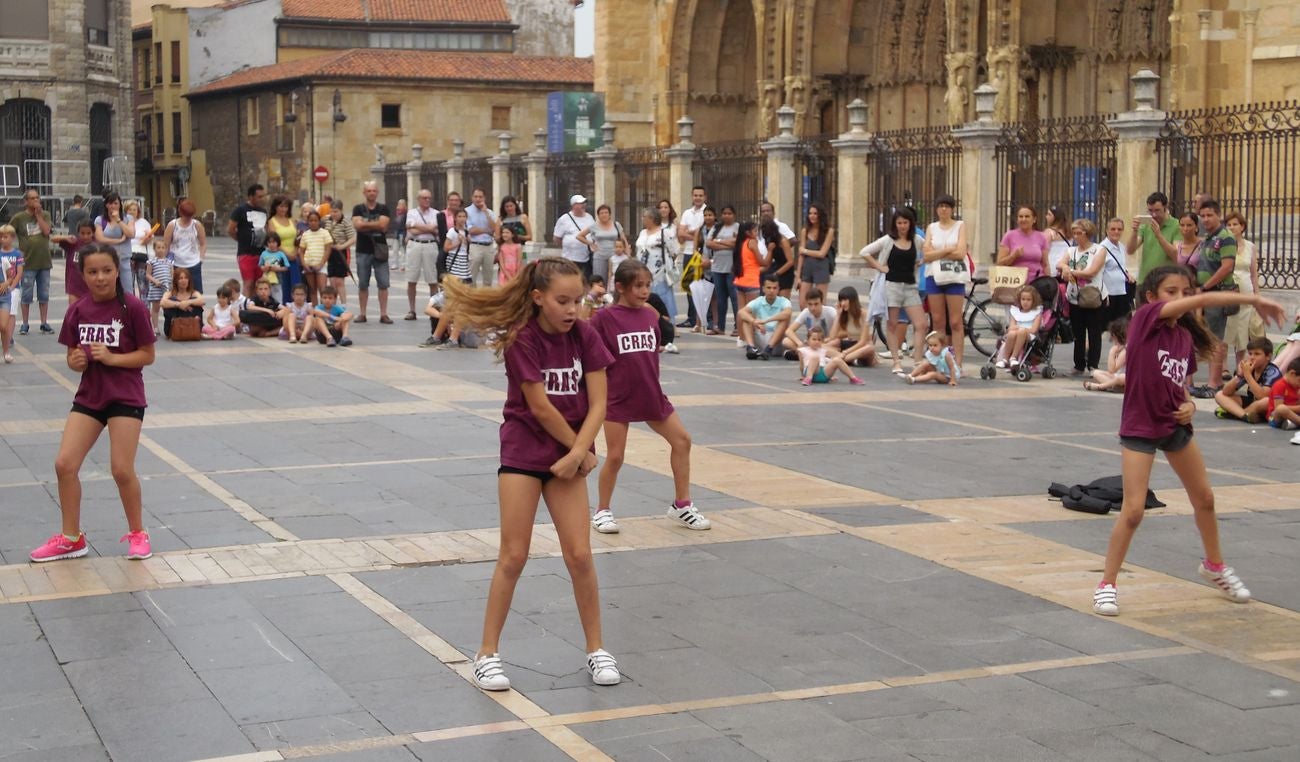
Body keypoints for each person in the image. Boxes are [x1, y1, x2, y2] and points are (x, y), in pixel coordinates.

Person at [441, 257, 620, 692]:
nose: (572, 309)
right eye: (562, 301)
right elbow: (539, 407)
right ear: (538, 298)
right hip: (524, 453)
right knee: (514, 555)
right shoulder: (523, 339)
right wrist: (578, 451)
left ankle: (597, 649)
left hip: (569, 459)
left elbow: (599, 403)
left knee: (579, 555)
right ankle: (486, 654)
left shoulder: (585, 334)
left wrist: (578, 453)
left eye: (578, 300)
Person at [1092, 264, 1284, 617]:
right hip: (1139, 426)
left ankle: (1214, 566)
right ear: (1152, 298)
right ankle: (1107, 584)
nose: (1182, 298)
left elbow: (1178, 385)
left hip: (1174, 426)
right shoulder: (1146, 319)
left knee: (1205, 499)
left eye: (1186, 292)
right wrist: (1254, 298)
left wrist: (1190, 405)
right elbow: (1208, 297)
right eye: (1172, 292)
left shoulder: (1182, 337)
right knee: (1133, 511)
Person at [29, 244, 156, 563]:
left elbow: (147, 355)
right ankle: (71, 538)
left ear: (117, 271)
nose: (100, 278)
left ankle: (138, 534)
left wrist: (113, 358)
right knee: (64, 464)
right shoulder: (77, 311)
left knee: (121, 469)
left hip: (125, 396)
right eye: (92, 272)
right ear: (81, 275)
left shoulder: (132, 308)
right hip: (90, 396)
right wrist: (75, 362)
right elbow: (73, 357)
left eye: (107, 271)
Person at [590, 259, 710, 535]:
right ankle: (602, 511)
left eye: (647, 285)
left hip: (651, 394)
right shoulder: (604, 318)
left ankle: (682, 504)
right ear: (620, 287)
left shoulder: (650, 315)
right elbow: (591, 355)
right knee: (616, 456)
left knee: (682, 440)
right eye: (638, 286)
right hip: (618, 398)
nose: (644, 291)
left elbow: (653, 349)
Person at [862, 209, 927, 374]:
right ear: (894, 224)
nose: (902, 226)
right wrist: (879, 267)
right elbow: (865, 252)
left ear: (910, 223)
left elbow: (929, 251)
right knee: (892, 324)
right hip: (892, 286)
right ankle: (896, 361)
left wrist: (920, 262)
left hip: (911, 286)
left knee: (921, 324)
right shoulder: (888, 240)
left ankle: (918, 360)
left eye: (905, 222)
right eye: (899, 223)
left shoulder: (917, 240)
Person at [1189, 198, 1237, 398]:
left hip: (1217, 292)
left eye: (1210, 215)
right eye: (1203, 216)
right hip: (1205, 294)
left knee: (1215, 340)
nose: (1206, 219)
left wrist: (1205, 286)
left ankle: (1214, 383)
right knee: (1206, 337)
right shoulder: (1208, 238)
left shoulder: (1225, 237)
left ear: (1219, 215)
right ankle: (1211, 381)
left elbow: (1227, 267)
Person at [922, 195, 968, 368]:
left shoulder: (960, 226)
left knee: (955, 321)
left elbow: (960, 253)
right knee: (938, 321)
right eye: (940, 206)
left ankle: (958, 363)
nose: (944, 209)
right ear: (936, 209)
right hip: (934, 276)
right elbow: (926, 255)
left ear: (952, 209)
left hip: (954, 276)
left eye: (947, 206)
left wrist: (938, 252)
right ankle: (941, 361)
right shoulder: (931, 227)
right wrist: (949, 249)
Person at [1059, 218, 1107, 375]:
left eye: (1079, 233)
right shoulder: (1071, 251)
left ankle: (1093, 364)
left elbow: (1092, 271)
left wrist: (1071, 272)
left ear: (1088, 233)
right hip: (1074, 296)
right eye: (1074, 233)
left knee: (1094, 332)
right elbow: (1060, 264)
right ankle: (1078, 364)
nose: (1075, 236)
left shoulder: (1099, 250)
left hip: (1092, 296)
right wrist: (1065, 267)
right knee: (1078, 333)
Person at [12, 188, 55, 335]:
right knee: (26, 295)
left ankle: (44, 323)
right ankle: (25, 323)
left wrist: (38, 216)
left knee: (44, 294)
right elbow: (8, 232)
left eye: (37, 198)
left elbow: (46, 232)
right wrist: (14, 252)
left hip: (44, 261)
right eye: (32, 198)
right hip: (28, 262)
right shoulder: (19, 218)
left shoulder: (45, 215)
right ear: (26, 201)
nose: (36, 201)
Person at [1223, 212, 1263, 366]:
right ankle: (1224, 366)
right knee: (1227, 328)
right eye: (1229, 224)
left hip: (1246, 292)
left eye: (1235, 224)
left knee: (1242, 330)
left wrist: (1257, 295)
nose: (1232, 227)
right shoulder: (1224, 244)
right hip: (1230, 291)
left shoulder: (1250, 246)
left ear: (1242, 226)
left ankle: (1240, 364)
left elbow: (1254, 273)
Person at [351, 181, 393, 323]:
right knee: (363, 283)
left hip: (380, 250)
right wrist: (374, 226)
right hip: (363, 250)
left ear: (377, 192)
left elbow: (383, 224)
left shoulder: (383, 208)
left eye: (374, 191)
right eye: (369, 191)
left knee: (383, 283)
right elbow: (357, 225)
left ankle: (383, 313)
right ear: (364, 192)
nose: (371, 193)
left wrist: (365, 224)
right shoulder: (358, 208)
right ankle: (362, 313)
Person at [404, 188, 449, 319]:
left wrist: (417, 227)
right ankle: (412, 310)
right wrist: (427, 228)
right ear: (418, 199)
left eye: (429, 198)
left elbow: (435, 229)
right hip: (415, 244)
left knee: (432, 279)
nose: (427, 200)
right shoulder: (412, 212)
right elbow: (410, 228)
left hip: (430, 245)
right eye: (424, 198)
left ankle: (433, 309)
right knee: (411, 279)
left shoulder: (436, 213)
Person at [1213, 337, 1280, 422]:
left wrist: (1247, 374)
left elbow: (1262, 396)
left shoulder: (1272, 372)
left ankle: (1238, 414)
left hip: (1268, 406)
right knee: (1219, 395)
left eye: (1257, 354)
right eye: (1250, 353)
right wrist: (1240, 375)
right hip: (1252, 402)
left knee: (1265, 401)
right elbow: (1226, 391)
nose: (1252, 357)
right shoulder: (1249, 368)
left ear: (1268, 356)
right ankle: (1245, 416)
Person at [633, 207, 679, 326]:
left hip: (660, 272)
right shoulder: (643, 232)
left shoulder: (664, 233)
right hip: (643, 270)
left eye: (645, 217)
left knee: (662, 297)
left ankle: (667, 325)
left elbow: (674, 250)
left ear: (652, 219)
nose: (642, 219)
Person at [1125, 191, 1181, 282]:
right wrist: (1134, 231)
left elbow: (1176, 255)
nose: (1153, 215)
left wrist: (1159, 235)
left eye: (1157, 210)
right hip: (1145, 280)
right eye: (1150, 211)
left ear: (1165, 208)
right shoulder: (1146, 225)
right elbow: (1130, 250)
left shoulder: (1176, 225)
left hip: (1165, 281)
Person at [704, 206, 740, 335]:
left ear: (734, 215)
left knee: (735, 297)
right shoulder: (716, 227)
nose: (726, 215)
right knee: (720, 298)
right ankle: (720, 326)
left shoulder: (738, 227)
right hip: (717, 267)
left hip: (732, 268)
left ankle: (738, 326)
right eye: (724, 213)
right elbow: (709, 243)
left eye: (729, 213)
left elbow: (737, 244)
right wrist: (727, 243)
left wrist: (718, 241)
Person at [228, 184, 269, 298]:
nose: (262, 199)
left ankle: (256, 307)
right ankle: (246, 308)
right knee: (248, 283)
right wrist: (241, 239)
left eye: (263, 196)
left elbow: (266, 228)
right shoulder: (240, 210)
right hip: (246, 253)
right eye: (259, 197)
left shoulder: (263, 211)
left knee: (259, 283)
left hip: (261, 253)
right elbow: (231, 229)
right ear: (251, 196)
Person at [738, 276, 792, 360]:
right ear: (763, 289)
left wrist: (765, 321)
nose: (771, 291)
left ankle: (769, 349)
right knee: (746, 318)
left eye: (774, 288)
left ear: (778, 289)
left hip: (776, 340)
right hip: (761, 335)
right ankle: (751, 348)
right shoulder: (758, 301)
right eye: (769, 287)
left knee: (784, 319)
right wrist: (754, 321)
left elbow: (787, 313)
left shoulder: (784, 301)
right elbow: (741, 312)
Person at [94, 192, 134, 299]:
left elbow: (131, 234)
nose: (113, 206)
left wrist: (119, 220)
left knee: (127, 290)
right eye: (110, 203)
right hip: (107, 259)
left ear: (120, 204)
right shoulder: (100, 220)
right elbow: (100, 238)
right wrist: (119, 240)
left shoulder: (128, 218)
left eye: (116, 203)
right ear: (106, 205)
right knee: (109, 289)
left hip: (124, 259)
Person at [162, 199, 206, 293]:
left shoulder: (197, 225)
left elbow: (203, 243)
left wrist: (200, 259)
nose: (188, 218)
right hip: (176, 263)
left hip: (193, 263)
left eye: (190, 216)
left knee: (196, 291)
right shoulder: (172, 225)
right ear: (180, 213)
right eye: (186, 216)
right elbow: (166, 245)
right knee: (176, 292)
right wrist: (168, 263)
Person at [997, 205, 1050, 283]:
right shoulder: (1009, 236)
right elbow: (1000, 263)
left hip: (1037, 281)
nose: (1023, 219)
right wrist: (1013, 256)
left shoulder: (1041, 237)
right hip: (1015, 282)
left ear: (1034, 219)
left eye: (1027, 216)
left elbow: (1045, 264)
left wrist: (1049, 282)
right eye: (1020, 217)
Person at [996, 284, 1043, 369]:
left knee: (1021, 332)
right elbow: (1011, 327)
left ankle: (1013, 357)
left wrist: (1021, 328)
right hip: (1016, 332)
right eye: (1023, 299)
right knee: (1011, 333)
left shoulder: (1036, 313)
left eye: (1029, 300)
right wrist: (1016, 328)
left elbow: (1033, 330)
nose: (1025, 302)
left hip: (1029, 335)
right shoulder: (1016, 312)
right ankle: (1005, 359)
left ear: (1033, 301)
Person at [797, 327, 864, 386]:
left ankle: (853, 378)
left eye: (819, 340)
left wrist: (844, 353)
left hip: (823, 374)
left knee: (836, 360)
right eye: (814, 339)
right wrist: (803, 375)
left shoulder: (823, 350)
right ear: (808, 340)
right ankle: (808, 378)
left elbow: (837, 356)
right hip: (810, 372)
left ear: (822, 341)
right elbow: (801, 365)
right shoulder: (803, 350)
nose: (817, 342)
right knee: (815, 357)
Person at [576, 204, 627, 282]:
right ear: (598, 215)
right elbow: (579, 236)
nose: (604, 215)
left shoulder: (616, 225)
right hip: (600, 256)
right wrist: (591, 243)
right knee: (599, 279)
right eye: (601, 213)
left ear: (610, 214)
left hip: (615, 255)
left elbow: (624, 240)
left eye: (606, 212)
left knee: (615, 278)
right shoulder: (594, 226)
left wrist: (627, 253)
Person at [797, 203, 834, 307]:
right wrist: (798, 276)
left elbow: (822, 253)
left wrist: (805, 251)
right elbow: (800, 255)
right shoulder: (805, 230)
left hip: (821, 267)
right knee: (802, 303)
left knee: (820, 302)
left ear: (820, 215)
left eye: (815, 213)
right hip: (807, 267)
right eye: (810, 213)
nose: (812, 216)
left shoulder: (828, 231)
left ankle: (819, 323)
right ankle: (808, 323)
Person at [831, 286, 878, 367]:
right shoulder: (844, 314)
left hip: (861, 347)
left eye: (845, 300)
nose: (842, 303)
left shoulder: (864, 313)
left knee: (870, 348)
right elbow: (833, 336)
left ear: (853, 300)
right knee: (829, 344)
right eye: (841, 300)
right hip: (850, 344)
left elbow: (863, 341)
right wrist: (838, 315)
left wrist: (846, 352)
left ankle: (840, 359)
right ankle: (845, 359)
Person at [782, 287, 837, 356]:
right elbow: (789, 331)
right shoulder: (806, 312)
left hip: (826, 343)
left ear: (821, 302)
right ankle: (811, 354)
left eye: (816, 304)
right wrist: (799, 343)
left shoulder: (831, 311)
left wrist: (827, 340)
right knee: (786, 341)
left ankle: (803, 354)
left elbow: (839, 332)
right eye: (810, 304)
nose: (813, 308)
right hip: (811, 344)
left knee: (834, 344)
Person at [1099, 217, 1136, 320]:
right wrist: (1103, 294)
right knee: (1107, 327)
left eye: (1119, 229)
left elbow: (1120, 266)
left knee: (1123, 327)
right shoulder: (1101, 248)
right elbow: (1098, 273)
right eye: (1113, 229)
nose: (1116, 232)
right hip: (1109, 295)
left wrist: (1127, 274)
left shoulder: (1122, 247)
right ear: (1107, 230)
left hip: (1123, 293)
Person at [267, 196, 302, 304]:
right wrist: (286, 253)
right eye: (281, 206)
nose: (283, 209)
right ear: (275, 207)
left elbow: (297, 238)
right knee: (282, 285)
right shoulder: (272, 222)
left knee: (295, 284)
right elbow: (274, 240)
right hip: (279, 258)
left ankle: (296, 308)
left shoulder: (291, 221)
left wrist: (295, 252)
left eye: (286, 206)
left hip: (293, 257)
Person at [758, 201, 797, 298]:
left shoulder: (783, 240)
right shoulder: (770, 242)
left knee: (783, 301)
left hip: (785, 271)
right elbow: (769, 261)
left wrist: (777, 273)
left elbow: (790, 261)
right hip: (774, 269)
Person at [732, 221, 766, 331]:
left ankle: (741, 336)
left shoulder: (741, 243)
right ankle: (750, 336)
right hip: (751, 281)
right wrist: (769, 252)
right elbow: (761, 261)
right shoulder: (752, 242)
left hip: (740, 280)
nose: (757, 233)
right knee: (752, 312)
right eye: (755, 231)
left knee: (741, 311)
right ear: (748, 232)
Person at [55, 220, 96, 308]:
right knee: (73, 309)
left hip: (91, 285)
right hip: (74, 283)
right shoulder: (73, 243)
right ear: (78, 233)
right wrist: (66, 238)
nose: (85, 236)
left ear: (93, 233)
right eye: (82, 233)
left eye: (88, 233)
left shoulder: (97, 245)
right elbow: (53, 239)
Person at [553, 194, 594, 279]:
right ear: (573, 205)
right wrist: (567, 245)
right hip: (569, 258)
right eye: (580, 203)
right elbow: (557, 238)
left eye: (584, 203)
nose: (583, 205)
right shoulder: (564, 219)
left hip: (585, 257)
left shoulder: (589, 217)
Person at [465, 188, 499, 288]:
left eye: (480, 197)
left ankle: (486, 301)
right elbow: (471, 230)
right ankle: (473, 301)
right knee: (472, 277)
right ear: (472, 198)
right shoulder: (467, 212)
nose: (478, 199)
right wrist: (487, 230)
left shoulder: (490, 212)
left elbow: (494, 228)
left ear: (484, 198)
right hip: (475, 246)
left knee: (488, 279)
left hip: (488, 246)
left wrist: (486, 213)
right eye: (476, 197)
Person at [1085, 316, 1129, 393]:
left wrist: (1111, 352)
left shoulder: (1125, 350)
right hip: (1117, 376)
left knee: (1121, 378)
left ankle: (1101, 386)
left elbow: (1112, 370)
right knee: (1095, 372)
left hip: (1124, 378)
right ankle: (1114, 386)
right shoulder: (1122, 348)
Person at [297, 211, 333, 303]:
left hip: (321, 265)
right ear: (308, 222)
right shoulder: (305, 234)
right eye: (311, 220)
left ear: (319, 221)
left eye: (315, 220)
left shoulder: (324, 233)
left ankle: (323, 311)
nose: (313, 223)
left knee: (322, 290)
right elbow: (301, 251)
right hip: (309, 265)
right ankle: (315, 312)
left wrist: (321, 264)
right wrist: (304, 264)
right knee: (312, 290)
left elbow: (328, 249)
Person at [160, 266, 205, 339]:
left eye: (186, 278)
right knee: (172, 301)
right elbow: (162, 302)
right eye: (181, 278)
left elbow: (202, 301)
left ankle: (194, 326)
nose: (184, 281)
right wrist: (178, 304)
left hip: (192, 326)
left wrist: (188, 302)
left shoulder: (194, 292)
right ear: (176, 281)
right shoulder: (170, 293)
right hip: (174, 328)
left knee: (196, 303)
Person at [0, 225, 23, 363]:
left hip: (6, 294)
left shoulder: (12, 256)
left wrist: (9, 285)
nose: (3, 239)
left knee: (4, 325)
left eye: (5, 236)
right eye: (1, 237)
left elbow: (14, 274)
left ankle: (6, 350)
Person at [325, 204, 356, 305]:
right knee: (332, 281)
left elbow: (353, 238)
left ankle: (343, 305)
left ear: (341, 211)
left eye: (336, 211)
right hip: (330, 252)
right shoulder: (327, 221)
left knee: (339, 281)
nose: (334, 214)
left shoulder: (345, 222)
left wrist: (342, 246)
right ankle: (332, 304)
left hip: (341, 253)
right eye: (332, 211)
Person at [126, 200, 154, 300]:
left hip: (142, 255)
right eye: (130, 209)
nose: (132, 212)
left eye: (135, 209)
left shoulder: (144, 223)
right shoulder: (123, 222)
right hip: (128, 255)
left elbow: (151, 238)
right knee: (129, 283)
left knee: (143, 284)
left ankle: (144, 308)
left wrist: (147, 238)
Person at [144, 239, 173, 335]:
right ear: (154, 249)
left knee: (167, 308)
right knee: (155, 308)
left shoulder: (169, 262)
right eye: (158, 247)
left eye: (163, 248)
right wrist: (154, 281)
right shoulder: (151, 262)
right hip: (156, 288)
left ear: (166, 249)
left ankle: (168, 326)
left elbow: (172, 274)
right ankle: (155, 327)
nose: (161, 250)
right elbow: (148, 274)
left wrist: (172, 285)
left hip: (166, 289)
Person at [1267, 359, 1300, 432]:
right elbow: (1278, 407)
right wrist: (1298, 408)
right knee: (1282, 408)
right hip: (1276, 417)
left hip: (1293, 415)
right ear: (1292, 373)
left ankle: (1292, 423)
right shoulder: (1280, 385)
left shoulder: (1295, 385)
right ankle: (1296, 422)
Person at [443, 209, 473, 284]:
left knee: (466, 283)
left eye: (464, 216)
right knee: (455, 283)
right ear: (455, 218)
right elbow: (446, 248)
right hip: (455, 259)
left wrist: (468, 241)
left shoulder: (466, 232)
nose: (462, 219)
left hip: (464, 261)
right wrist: (458, 242)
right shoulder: (452, 231)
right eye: (459, 216)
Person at [1044, 205, 1071, 274]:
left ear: (1055, 217)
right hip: (1066, 267)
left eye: (1049, 214)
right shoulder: (1069, 232)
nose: (1046, 217)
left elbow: (1044, 253)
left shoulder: (1049, 232)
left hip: (1052, 267)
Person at [392, 198, 408, 273]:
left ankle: (403, 265)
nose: (399, 206)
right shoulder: (397, 213)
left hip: (403, 233)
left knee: (402, 249)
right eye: (398, 204)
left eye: (401, 204)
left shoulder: (406, 214)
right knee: (395, 249)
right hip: (396, 233)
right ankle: (395, 263)